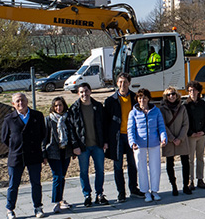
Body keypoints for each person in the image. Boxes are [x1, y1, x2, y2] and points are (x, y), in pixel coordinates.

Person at [1, 92, 46, 219]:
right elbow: (5, 138)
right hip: (16, 156)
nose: (21, 103)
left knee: (36, 183)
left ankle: (38, 207)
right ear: (13, 104)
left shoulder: (37, 116)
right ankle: (10, 209)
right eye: (18, 101)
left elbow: (43, 134)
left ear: (27, 101)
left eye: (23, 100)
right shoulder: (9, 119)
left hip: (34, 155)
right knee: (13, 185)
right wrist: (16, 145)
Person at [103, 73, 145, 203]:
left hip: (131, 136)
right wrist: (106, 140)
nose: (123, 84)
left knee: (133, 164)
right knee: (118, 166)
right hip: (117, 138)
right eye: (120, 82)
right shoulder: (111, 101)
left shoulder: (135, 98)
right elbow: (106, 122)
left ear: (129, 83)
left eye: (125, 82)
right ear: (117, 83)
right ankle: (121, 192)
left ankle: (134, 189)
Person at [68, 83, 109, 207]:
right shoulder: (74, 108)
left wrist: (105, 141)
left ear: (90, 91)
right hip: (82, 147)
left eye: (86, 91)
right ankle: (87, 195)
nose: (84, 94)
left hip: (97, 145)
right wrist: (75, 145)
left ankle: (99, 194)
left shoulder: (98, 106)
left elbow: (104, 125)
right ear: (78, 94)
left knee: (100, 170)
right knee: (84, 172)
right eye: (81, 92)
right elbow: (71, 129)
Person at [128, 89, 167, 202]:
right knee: (141, 168)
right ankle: (145, 191)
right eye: (140, 98)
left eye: (144, 98)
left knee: (155, 167)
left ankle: (154, 190)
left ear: (148, 99)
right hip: (139, 145)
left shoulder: (156, 111)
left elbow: (161, 126)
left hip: (154, 143)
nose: (142, 100)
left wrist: (163, 138)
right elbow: (131, 129)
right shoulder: (133, 112)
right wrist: (132, 142)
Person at [43, 96, 73, 214]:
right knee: (57, 176)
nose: (58, 108)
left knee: (62, 176)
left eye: (60, 105)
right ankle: (56, 202)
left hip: (65, 151)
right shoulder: (49, 120)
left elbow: (71, 134)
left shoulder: (67, 118)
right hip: (53, 152)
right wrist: (44, 153)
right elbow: (44, 138)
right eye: (56, 106)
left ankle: (60, 199)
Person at [159, 86, 191, 196]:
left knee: (185, 162)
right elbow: (162, 125)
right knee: (169, 163)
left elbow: (185, 124)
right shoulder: (162, 109)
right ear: (165, 96)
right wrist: (172, 138)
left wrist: (180, 138)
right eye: (168, 95)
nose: (171, 96)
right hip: (169, 140)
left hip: (181, 139)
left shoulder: (182, 108)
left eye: (173, 94)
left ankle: (186, 185)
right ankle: (174, 185)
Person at [185, 81, 205, 190]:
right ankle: (190, 180)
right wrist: (191, 132)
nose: (192, 92)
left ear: (198, 91)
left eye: (194, 90)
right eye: (190, 90)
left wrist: (204, 131)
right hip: (191, 136)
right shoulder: (185, 105)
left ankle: (200, 179)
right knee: (190, 159)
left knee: (200, 157)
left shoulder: (204, 104)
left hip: (202, 135)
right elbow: (185, 122)